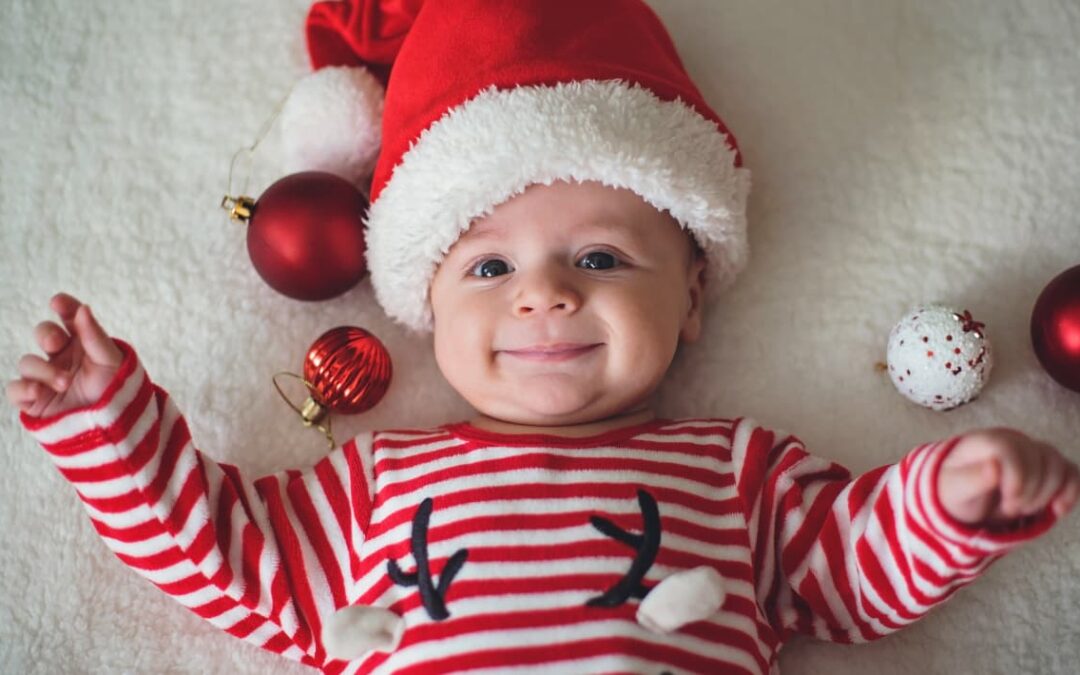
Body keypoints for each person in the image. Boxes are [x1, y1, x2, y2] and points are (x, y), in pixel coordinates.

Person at [8, 1, 1080, 674]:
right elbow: (225, 553)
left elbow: (848, 572)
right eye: (488, 267)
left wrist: (947, 502)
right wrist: (108, 423)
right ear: (425, 305)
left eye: (603, 259)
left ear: (694, 295)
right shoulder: (378, 489)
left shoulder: (736, 472)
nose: (546, 296)